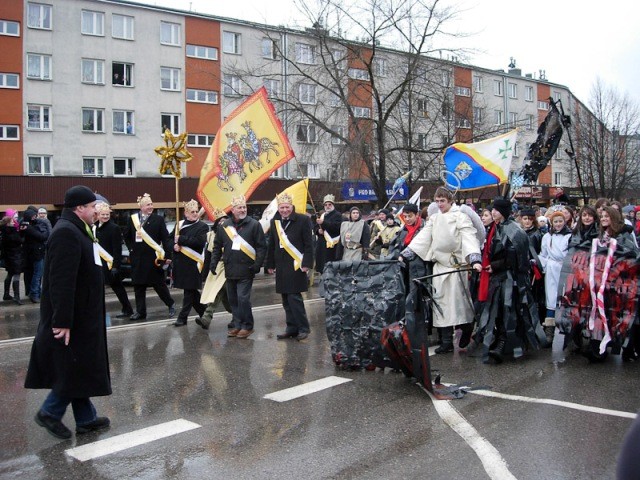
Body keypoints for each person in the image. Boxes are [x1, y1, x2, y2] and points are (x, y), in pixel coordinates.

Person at [24, 185, 111, 440]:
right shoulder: (66, 233)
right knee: (73, 366)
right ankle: (50, 412)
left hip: (82, 314)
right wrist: (62, 321)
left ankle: (86, 419)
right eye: (93, 206)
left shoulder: (78, 229)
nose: (97, 210)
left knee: (78, 365)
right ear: (80, 208)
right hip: (72, 317)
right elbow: (61, 281)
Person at [404, 187, 483, 353]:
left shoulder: (460, 217)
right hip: (440, 266)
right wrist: (408, 253)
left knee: (457, 305)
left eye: (442, 201)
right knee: (440, 304)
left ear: (450, 201)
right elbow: (424, 236)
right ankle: (446, 340)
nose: (439, 204)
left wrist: (474, 258)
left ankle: (466, 328)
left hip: (455, 266)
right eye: (437, 201)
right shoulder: (434, 219)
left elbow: (468, 235)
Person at [557, 206, 640, 362]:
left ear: (614, 218)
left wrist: (615, 270)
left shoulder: (624, 236)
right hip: (599, 285)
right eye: (601, 217)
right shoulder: (600, 236)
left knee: (611, 317)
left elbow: (632, 257)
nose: (603, 219)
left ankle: (605, 349)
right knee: (597, 316)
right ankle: (596, 349)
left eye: (606, 216)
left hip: (615, 285)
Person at [473, 197, 547, 363]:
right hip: (497, 278)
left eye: (496, 210)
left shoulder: (514, 230)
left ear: (504, 212)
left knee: (509, 312)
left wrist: (496, 265)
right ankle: (500, 341)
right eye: (492, 209)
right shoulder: (495, 227)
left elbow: (516, 257)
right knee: (497, 312)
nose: (493, 212)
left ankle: (504, 342)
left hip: (511, 279)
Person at [210, 194, 266, 339]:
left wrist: (258, 265)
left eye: (244, 207)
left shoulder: (254, 224)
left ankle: (247, 326)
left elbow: (261, 247)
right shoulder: (225, 226)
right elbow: (217, 247)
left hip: (247, 269)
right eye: (239, 207)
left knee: (243, 298)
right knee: (233, 299)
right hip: (230, 269)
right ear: (233, 210)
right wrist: (213, 264)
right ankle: (237, 324)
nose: (242, 210)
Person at [266, 192, 314, 341]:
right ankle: (291, 328)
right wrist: (270, 264)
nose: (284, 210)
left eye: (287, 207)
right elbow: (272, 244)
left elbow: (309, 244)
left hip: (296, 265)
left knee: (295, 298)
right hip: (281, 265)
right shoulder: (276, 222)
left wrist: (307, 263)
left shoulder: (303, 220)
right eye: (281, 208)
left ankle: (303, 328)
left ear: (291, 207)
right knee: (286, 299)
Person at [125, 193, 175, 321]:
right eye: (148, 205)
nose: (150, 207)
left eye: (151, 204)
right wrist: (131, 249)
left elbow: (166, 239)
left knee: (159, 285)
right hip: (138, 259)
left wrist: (168, 255)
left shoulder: (158, 220)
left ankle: (170, 304)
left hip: (153, 258)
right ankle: (141, 312)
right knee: (139, 287)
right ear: (141, 207)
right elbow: (127, 236)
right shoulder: (133, 219)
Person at [170, 200, 209, 327]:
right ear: (186, 213)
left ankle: (182, 317)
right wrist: (173, 246)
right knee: (191, 291)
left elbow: (199, 242)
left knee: (189, 291)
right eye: (192, 212)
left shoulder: (202, 226)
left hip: (194, 263)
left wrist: (181, 239)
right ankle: (205, 313)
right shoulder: (179, 225)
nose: (195, 214)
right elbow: (169, 240)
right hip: (181, 263)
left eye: (196, 211)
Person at [538, 210, 572, 345]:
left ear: (564, 222)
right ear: (551, 223)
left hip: (565, 268)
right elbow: (544, 253)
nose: (558, 224)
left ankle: (568, 331)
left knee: (566, 298)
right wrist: (541, 264)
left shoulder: (569, 236)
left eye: (560, 221)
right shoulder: (547, 237)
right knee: (551, 298)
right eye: (555, 221)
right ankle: (549, 330)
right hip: (552, 268)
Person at [95, 202, 133, 318]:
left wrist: (116, 266)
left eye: (107, 214)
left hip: (110, 264)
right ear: (97, 215)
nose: (105, 216)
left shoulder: (114, 228)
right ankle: (97, 311)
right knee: (97, 289)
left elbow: (117, 249)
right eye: (103, 214)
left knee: (118, 288)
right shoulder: (93, 227)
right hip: (98, 263)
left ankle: (127, 309)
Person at [21, 208, 49, 303]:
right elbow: (41, 237)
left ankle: (35, 292)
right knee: (37, 274)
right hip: (36, 253)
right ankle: (34, 293)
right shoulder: (29, 227)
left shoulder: (29, 225)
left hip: (35, 253)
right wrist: (45, 232)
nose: (36, 217)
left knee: (36, 274)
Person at [314, 194, 343, 276]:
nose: (327, 206)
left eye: (329, 204)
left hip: (332, 245)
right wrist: (318, 231)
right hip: (322, 244)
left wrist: (323, 223)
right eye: (326, 205)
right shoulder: (322, 215)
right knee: (321, 266)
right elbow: (315, 227)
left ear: (333, 205)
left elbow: (336, 227)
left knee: (331, 267)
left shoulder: (337, 215)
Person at [1, 209, 25, 304]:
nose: (14, 221)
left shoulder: (4, 231)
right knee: (16, 274)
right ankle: (17, 296)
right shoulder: (11, 231)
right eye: (12, 220)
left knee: (10, 274)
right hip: (15, 256)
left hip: (8, 256)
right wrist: (20, 233)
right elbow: (19, 241)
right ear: (8, 222)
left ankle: (6, 294)